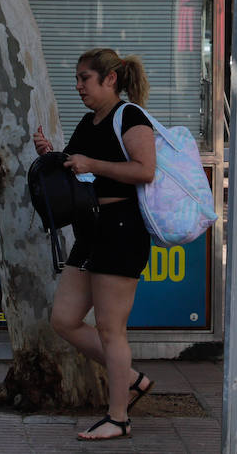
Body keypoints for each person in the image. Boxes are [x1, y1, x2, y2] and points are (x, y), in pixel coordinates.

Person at [31, 48, 157, 441]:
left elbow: (145, 170)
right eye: (78, 79)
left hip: (121, 227)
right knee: (64, 319)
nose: (78, 86)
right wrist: (53, 156)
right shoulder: (89, 121)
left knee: (110, 329)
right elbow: (78, 169)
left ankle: (118, 418)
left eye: (85, 78)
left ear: (110, 79)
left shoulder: (129, 117)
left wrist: (93, 165)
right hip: (90, 230)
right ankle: (131, 379)